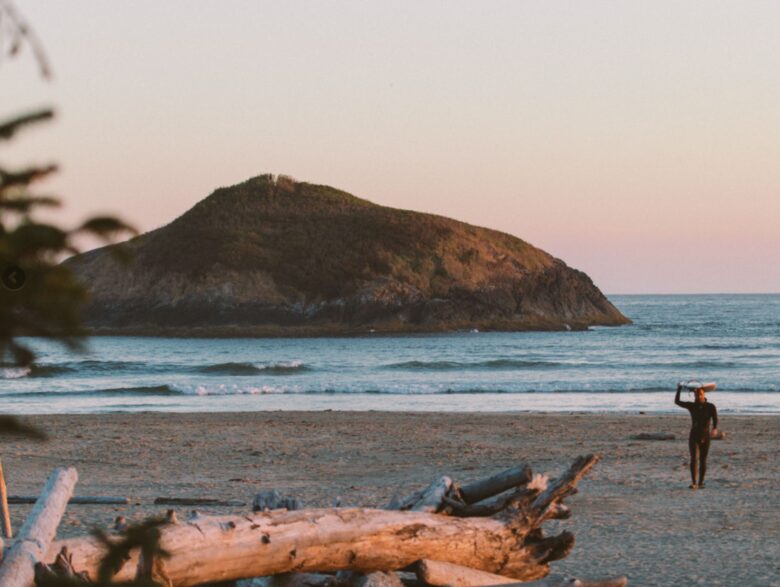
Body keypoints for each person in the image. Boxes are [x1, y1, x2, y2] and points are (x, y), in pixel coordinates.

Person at [675, 383, 718, 489]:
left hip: (705, 436)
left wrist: (714, 429)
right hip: (694, 436)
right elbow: (677, 402)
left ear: (704, 395)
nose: (698, 396)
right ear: (694, 396)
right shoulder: (692, 406)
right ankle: (694, 483)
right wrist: (679, 389)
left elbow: (715, 419)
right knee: (694, 458)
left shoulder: (711, 406)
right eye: (696, 395)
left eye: (700, 395)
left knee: (703, 460)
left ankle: (701, 483)